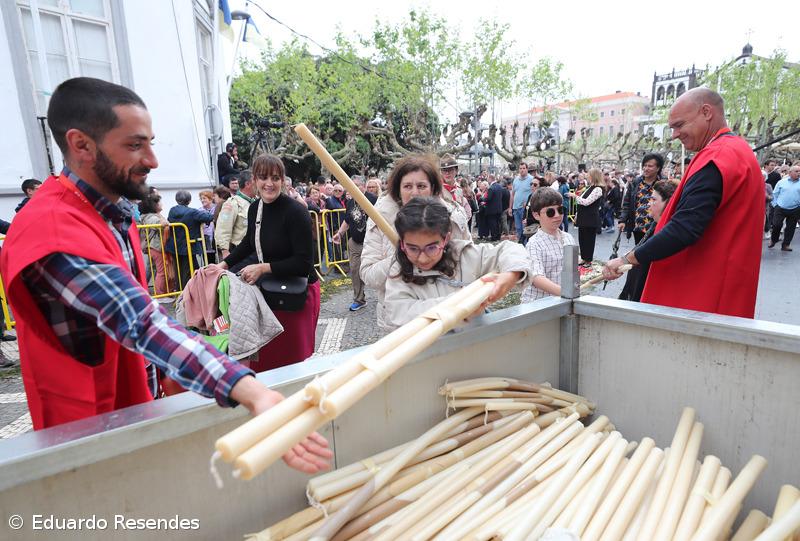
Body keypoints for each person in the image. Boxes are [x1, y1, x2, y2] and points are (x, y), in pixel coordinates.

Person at [0, 77, 330, 469]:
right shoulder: (53, 228)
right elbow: (141, 323)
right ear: (81, 145)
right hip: (86, 436)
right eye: (135, 145)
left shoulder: (108, 215)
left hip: (126, 413)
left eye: (150, 143)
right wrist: (250, 391)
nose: (153, 160)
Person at [603, 88, 764, 318]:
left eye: (679, 125)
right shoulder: (735, 152)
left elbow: (684, 228)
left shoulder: (717, 157)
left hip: (701, 294)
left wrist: (627, 259)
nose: (675, 135)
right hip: (721, 289)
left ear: (706, 112)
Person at [218, 154, 320, 372]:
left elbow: (304, 263)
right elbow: (248, 243)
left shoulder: (296, 211)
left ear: (283, 180)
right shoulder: (256, 208)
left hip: (296, 295)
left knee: (292, 365)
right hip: (270, 290)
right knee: (267, 362)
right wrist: (223, 265)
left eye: (275, 178)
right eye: (263, 178)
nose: (269, 184)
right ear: (254, 180)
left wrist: (264, 267)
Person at [382, 197, 530, 330]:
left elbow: (511, 249)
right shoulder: (398, 273)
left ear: (446, 239)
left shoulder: (464, 255)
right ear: (402, 243)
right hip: (429, 355)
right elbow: (401, 312)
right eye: (412, 248)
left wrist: (512, 274)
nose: (422, 258)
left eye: (432, 248)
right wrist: (463, 303)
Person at [361, 154, 470, 329]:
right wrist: (402, 258)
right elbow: (368, 275)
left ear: (432, 188)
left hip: (447, 316)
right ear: (398, 189)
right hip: (401, 323)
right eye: (407, 186)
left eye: (421, 186)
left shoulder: (451, 216)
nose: (414, 193)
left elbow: (469, 262)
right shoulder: (380, 218)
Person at [618, 180, 679, 302]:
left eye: (654, 200)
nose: (649, 204)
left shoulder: (666, 237)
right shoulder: (655, 226)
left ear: (668, 204)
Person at [520, 188, 577, 302]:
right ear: (536, 215)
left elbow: (572, 270)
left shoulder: (568, 238)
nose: (557, 215)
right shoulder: (534, 244)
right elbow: (536, 278)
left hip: (561, 301)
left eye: (560, 210)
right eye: (550, 212)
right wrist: (565, 292)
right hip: (537, 304)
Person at [332, 176, 378, 311]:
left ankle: (386, 298)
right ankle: (359, 299)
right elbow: (347, 220)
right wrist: (339, 233)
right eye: (352, 186)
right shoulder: (351, 202)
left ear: (363, 186)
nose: (355, 188)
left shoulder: (373, 199)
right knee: (355, 270)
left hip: (373, 243)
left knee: (379, 271)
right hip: (355, 242)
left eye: (357, 185)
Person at [165, 190, 213, 289]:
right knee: (188, 271)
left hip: (174, 246)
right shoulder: (192, 212)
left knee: (178, 270)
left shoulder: (172, 210)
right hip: (188, 246)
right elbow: (208, 217)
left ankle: (180, 291)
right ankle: (187, 294)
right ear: (189, 200)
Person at [618, 153, 664, 244]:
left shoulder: (663, 184)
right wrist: (622, 220)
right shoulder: (635, 183)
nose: (646, 168)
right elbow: (626, 203)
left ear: (658, 168)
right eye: (645, 165)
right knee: (638, 254)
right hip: (638, 227)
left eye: (650, 166)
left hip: (657, 227)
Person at [568, 168, 605, 269]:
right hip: (583, 217)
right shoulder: (590, 187)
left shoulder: (598, 189)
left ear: (593, 176)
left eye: (589, 174)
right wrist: (576, 215)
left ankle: (588, 259)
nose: (587, 176)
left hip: (590, 218)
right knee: (582, 238)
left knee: (589, 240)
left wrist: (574, 196)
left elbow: (586, 202)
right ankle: (584, 258)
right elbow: (582, 202)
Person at [138, 191, 172, 299]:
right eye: (159, 202)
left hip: (155, 246)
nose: (161, 204)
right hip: (156, 247)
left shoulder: (150, 215)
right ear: (154, 205)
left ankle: (162, 292)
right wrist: (163, 223)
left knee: (158, 270)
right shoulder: (150, 217)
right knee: (161, 271)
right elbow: (156, 223)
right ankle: (160, 295)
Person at [215, 170, 256, 260]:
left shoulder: (256, 202)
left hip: (255, 251)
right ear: (248, 184)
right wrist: (225, 251)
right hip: (239, 251)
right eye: (255, 182)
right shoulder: (233, 203)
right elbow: (223, 228)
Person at [768, 164, 800, 252]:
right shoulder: (782, 182)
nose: (799, 173)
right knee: (777, 225)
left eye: (799, 171)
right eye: (796, 171)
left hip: (795, 209)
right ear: (790, 173)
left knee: (791, 228)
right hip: (780, 207)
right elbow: (775, 194)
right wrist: (775, 205)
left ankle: (786, 244)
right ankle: (773, 240)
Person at [510, 163, 534, 244]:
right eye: (520, 168)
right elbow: (512, 194)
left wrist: (528, 203)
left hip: (525, 209)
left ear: (527, 169)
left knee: (526, 230)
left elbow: (535, 192)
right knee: (518, 228)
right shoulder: (516, 179)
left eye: (524, 168)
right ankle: (522, 247)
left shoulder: (532, 179)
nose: (522, 170)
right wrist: (510, 207)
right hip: (515, 208)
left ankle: (527, 247)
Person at [199, 189, 216, 264]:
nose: (202, 200)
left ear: (210, 198)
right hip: (205, 239)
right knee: (208, 261)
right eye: (201, 198)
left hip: (215, 238)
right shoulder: (199, 211)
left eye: (204, 198)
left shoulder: (216, 209)